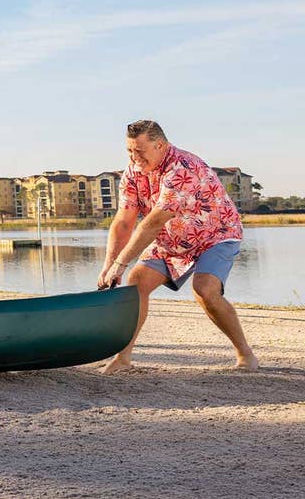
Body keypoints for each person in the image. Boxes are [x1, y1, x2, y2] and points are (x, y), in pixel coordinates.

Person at [98, 119, 258, 373]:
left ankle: (245, 354)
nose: (134, 157)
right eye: (129, 151)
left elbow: (152, 223)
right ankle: (123, 358)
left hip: (215, 233)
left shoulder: (183, 167)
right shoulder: (132, 173)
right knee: (135, 284)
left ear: (160, 145)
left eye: (139, 151)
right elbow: (124, 221)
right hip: (171, 239)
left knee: (205, 289)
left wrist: (120, 263)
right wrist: (109, 264)